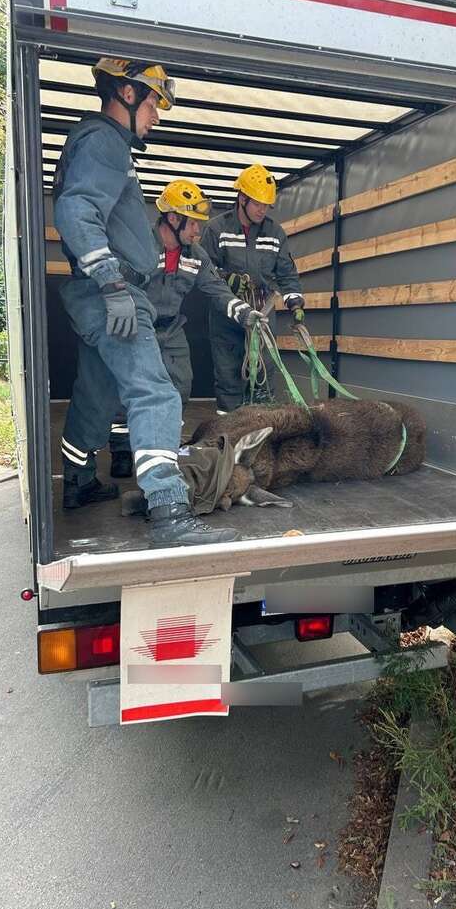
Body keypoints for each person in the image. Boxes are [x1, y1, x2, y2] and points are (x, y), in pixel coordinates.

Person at [54, 57, 242, 547]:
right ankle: (169, 511)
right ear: (127, 92)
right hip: (112, 292)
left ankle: (78, 481)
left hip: (96, 295)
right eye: (154, 102)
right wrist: (112, 282)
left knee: (96, 395)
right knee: (155, 392)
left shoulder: (98, 144)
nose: (157, 115)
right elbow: (76, 209)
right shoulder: (104, 142)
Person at [108, 178, 267, 477]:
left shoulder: (196, 255)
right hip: (138, 328)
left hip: (172, 329)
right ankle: (121, 449)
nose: (198, 231)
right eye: (193, 223)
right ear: (173, 218)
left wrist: (245, 312)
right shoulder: (139, 245)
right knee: (129, 387)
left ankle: (166, 445)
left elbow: (217, 289)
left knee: (181, 384)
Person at [201, 163, 306, 412]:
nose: (262, 210)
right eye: (258, 204)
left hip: (263, 315)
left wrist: (295, 303)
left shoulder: (275, 233)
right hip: (227, 316)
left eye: (266, 205)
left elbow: (287, 273)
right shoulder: (217, 229)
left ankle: (262, 429)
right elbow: (204, 270)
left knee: (264, 379)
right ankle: (229, 429)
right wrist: (227, 278)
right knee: (228, 377)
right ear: (242, 198)